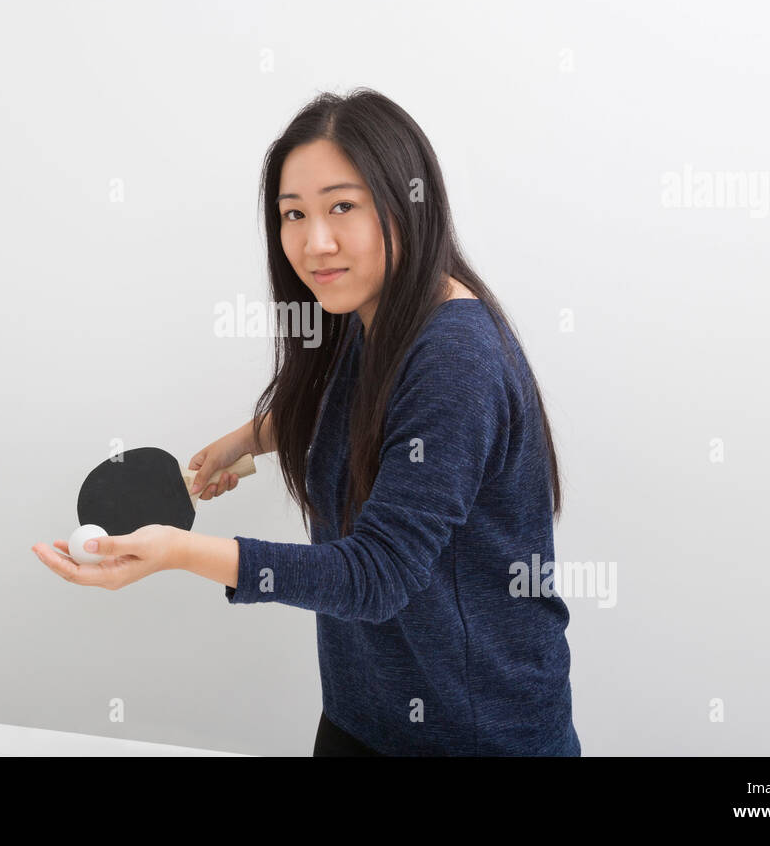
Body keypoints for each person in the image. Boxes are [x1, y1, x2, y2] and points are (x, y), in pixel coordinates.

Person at [33, 87, 579, 757]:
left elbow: (376, 575)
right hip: (362, 715)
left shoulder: (456, 360)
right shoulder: (373, 307)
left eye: (342, 207)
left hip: (472, 737)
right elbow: (365, 411)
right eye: (293, 214)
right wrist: (254, 436)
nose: (315, 242)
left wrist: (177, 552)